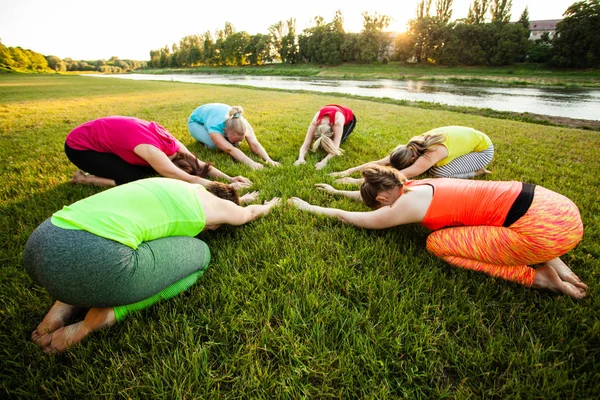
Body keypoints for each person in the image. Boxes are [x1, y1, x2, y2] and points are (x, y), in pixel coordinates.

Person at [24, 178, 280, 353]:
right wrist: (269, 206)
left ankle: (63, 303)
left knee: (120, 234)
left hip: (41, 242)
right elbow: (249, 214)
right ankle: (100, 318)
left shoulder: (176, 185)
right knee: (201, 255)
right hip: (100, 259)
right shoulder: (219, 207)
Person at [289, 165, 587, 299]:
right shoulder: (410, 184)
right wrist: (334, 189)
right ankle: (555, 258)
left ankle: (538, 277)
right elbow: (365, 198)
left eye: (379, 206)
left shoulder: (403, 206)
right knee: (488, 213)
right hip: (557, 208)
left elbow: (352, 218)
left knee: (436, 243)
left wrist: (308, 207)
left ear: (382, 200)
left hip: (542, 232)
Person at [65, 116, 251, 189]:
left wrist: (230, 178)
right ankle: (83, 179)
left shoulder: (174, 144)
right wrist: (224, 188)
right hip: (80, 147)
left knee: (143, 171)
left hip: (102, 137)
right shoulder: (152, 152)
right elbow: (192, 180)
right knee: (133, 179)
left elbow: (199, 164)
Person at [331, 126, 493, 184]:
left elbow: (399, 176)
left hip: (482, 150)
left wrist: (353, 181)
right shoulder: (410, 146)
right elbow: (381, 162)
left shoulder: (432, 152)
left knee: (439, 172)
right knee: (432, 168)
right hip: (468, 140)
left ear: (413, 160)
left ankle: (478, 171)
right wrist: (347, 171)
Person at [188, 103, 280, 170]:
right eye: (234, 140)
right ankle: (206, 136)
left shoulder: (242, 124)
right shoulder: (216, 126)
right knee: (215, 145)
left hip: (214, 116)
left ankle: (225, 139)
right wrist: (252, 163)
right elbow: (230, 149)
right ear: (225, 130)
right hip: (196, 122)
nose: (236, 143)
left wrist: (268, 160)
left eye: (240, 139)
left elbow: (254, 144)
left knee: (234, 144)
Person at [294, 104, 357, 170]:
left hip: (348, 117)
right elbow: (306, 144)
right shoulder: (315, 121)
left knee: (340, 140)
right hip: (330, 109)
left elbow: (335, 148)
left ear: (332, 132)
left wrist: (324, 161)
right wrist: (300, 158)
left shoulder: (337, 123)